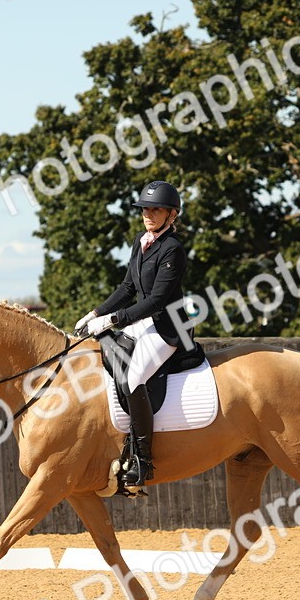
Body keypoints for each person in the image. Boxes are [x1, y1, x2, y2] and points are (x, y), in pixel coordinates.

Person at [74, 180, 187, 487]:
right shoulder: (141, 240)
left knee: (133, 377)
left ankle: (143, 459)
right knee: (107, 358)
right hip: (144, 321)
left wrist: (114, 319)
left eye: (156, 209)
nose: (149, 214)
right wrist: (96, 313)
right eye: (145, 209)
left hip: (168, 327)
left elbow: (156, 300)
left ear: (171, 214)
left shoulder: (173, 249)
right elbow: (128, 288)